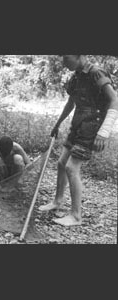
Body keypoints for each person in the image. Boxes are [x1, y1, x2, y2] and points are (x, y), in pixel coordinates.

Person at [39, 55, 118, 226]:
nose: (63, 62)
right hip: (78, 124)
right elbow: (70, 103)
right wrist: (57, 124)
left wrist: (104, 132)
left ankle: (76, 216)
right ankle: (58, 201)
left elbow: (114, 100)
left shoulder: (96, 73)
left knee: (71, 168)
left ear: (78, 55)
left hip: (93, 125)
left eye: (66, 58)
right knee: (61, 163)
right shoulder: (75, 76)